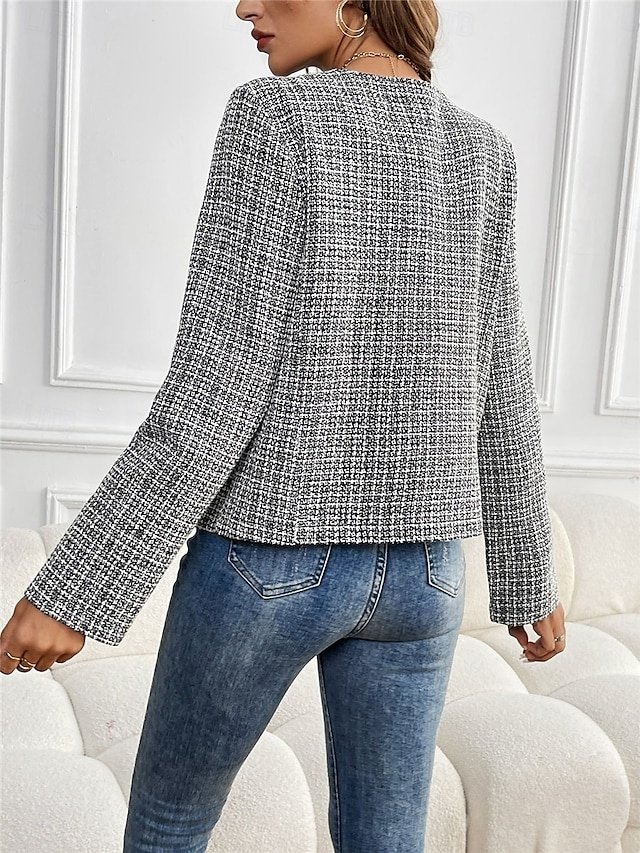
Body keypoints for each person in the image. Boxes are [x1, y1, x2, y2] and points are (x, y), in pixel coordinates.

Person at [1, 0, 567, 849]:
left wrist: (74, 591)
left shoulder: (275, 118)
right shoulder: (482, 150)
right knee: (387, 839)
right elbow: (505, 377)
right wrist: (528, 574)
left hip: (272, 559)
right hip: (426, 577)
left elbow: (215, 382)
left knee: (168, 825)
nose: (245, 6)